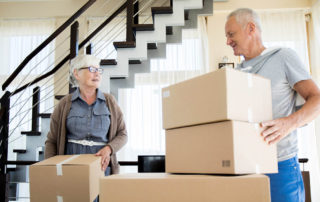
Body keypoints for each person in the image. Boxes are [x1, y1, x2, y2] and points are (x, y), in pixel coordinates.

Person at [225, 8, 320, 202]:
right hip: (245, 169)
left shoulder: (283, 57)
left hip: (280, 167)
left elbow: (316, 98)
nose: (227, 41)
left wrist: (289, 123)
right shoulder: (235, 73)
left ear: (251, 28)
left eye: (231, 34)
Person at [45, 54, 127, 176]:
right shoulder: (64, 104)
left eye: (99, 70)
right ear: (77, 73)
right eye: (92, 69)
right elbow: (52, 140)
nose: (97, 74)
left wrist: (108, 149)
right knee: (73, 195)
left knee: (101, 195)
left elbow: (123, 134)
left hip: (101, 167)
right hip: (70, 167)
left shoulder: (110, 101)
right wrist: (50, 169)